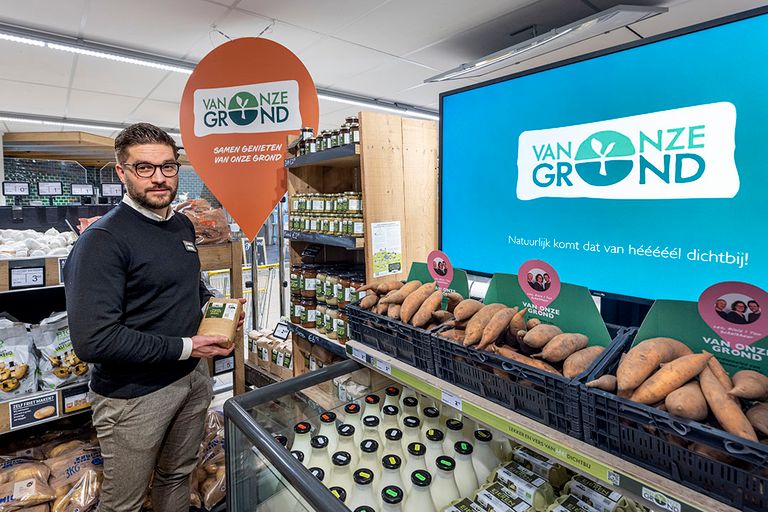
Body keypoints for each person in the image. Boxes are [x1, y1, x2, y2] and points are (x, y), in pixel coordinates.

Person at [64, 123, 244, 512]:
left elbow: (187, 285)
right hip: (134, 397)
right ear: (121, 172)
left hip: (191, 379)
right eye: (145, 168)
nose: (159, 178)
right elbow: (93, 340)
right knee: (124, 501)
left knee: (176, 475)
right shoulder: (103, 241)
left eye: (168, 166)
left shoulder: (180, 224)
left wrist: (217, 311)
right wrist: (188, 346)